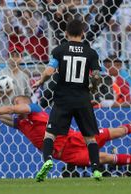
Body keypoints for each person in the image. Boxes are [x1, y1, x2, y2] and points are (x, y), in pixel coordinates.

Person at [0, 84, 131, 175]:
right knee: (104, 158)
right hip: (66, 154)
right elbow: (1, 115)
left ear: (26, 102)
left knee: (113, 132)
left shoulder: (34, 109)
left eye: (17, 100)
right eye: (14, 102)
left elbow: (11, 109)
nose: (14, 104)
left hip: (75, 138)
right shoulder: (21, 124)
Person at [31, 19, 102, 181]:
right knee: (90, 137)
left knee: (50, 134)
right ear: (83, 33)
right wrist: (93, 89)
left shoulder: (59, 50)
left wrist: (41, 81)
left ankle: (48, 160)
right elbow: (97, 76)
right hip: (82, 99)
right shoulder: (91, 52)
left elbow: (49, 71)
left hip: (63, 98)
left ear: (65, 33)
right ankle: (96, 170)